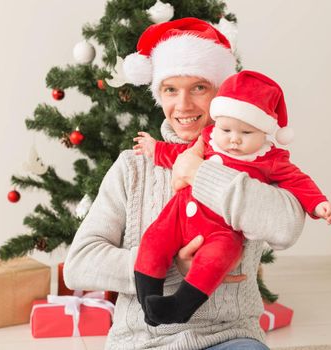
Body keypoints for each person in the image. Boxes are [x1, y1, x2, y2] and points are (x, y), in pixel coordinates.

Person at [64, 17, 305, 350]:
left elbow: (287, 227)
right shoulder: (132, 167)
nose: (184, 105)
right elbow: (79, 265)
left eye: (199, 87)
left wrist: (199, 174)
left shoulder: (255, 161)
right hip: (141, 341)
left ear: (222, 94)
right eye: (170, 90)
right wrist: (172, 264)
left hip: (229, 336)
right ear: (158, 95)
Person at [133, 70, 331, 325]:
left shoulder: (269, 159)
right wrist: (154, 149)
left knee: (216, 258)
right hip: (178, 215)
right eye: (227, 130)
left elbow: (298, 181)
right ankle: (149, 303)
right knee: (154, 240)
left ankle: (179, 307)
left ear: (264, 133)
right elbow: (178, 153)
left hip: (222, 231)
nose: (234, 140)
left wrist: (318, 204)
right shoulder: (207, 140)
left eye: (246, 134)